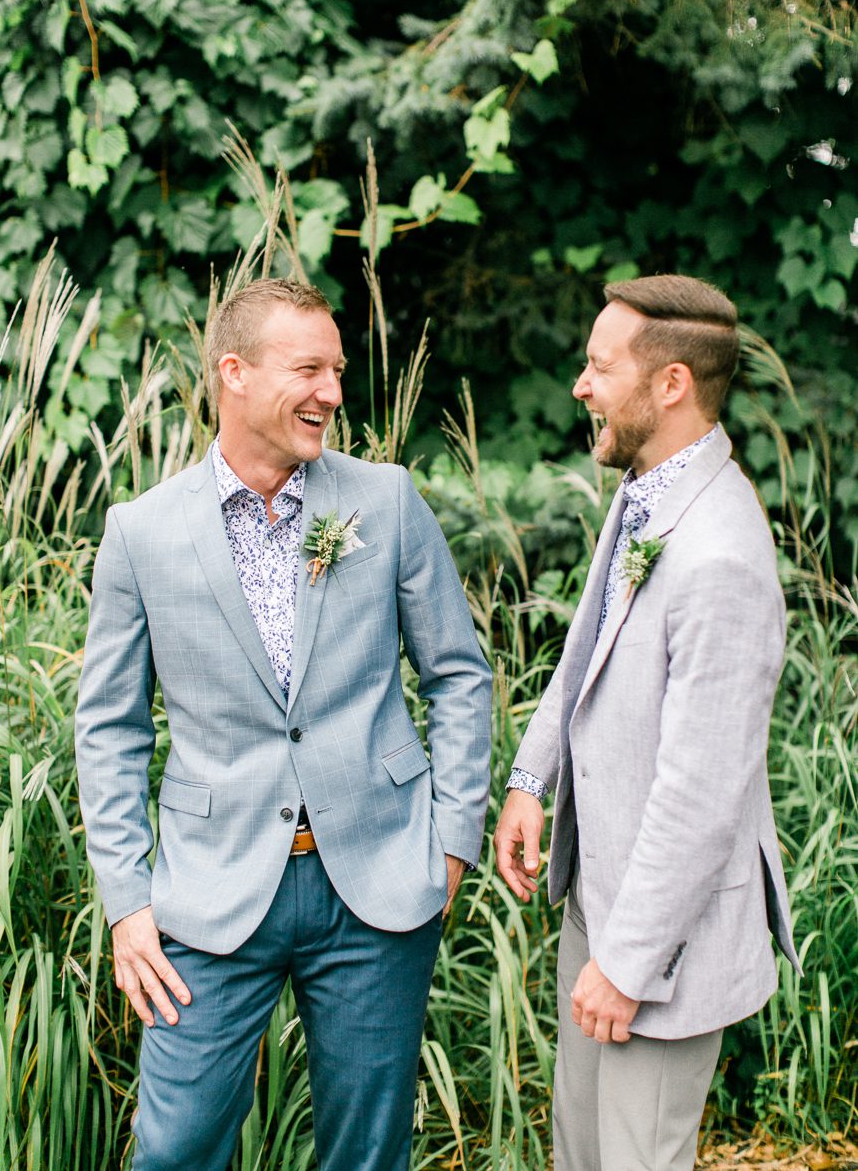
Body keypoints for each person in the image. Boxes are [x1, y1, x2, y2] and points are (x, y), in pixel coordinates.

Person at [75, 278, 492, 1171]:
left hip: (379, 884)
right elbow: (109, 729)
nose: (333, 392)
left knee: (367, 1153)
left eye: (337, 370)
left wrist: (451, 839)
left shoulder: (384, 501)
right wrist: (127, 903)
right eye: (310, 368)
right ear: (235, 372)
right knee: (175, 1149)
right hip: (209, 895)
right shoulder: (140, 533)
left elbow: (459, 674)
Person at [494, 274, 799, 1171]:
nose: (581, 386)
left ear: (670, 385)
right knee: (580, 1154)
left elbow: (704, 793)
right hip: (602, 893)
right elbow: (587, 648)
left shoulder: (721, 558)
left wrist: (626, 965)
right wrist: (529, 779)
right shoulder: (645, 494)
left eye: (599, 366)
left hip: (661, 944)